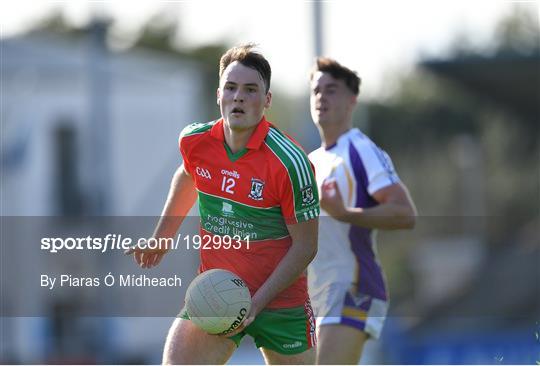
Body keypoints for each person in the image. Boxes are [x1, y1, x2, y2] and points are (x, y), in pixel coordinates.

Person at [126, 44, 319, 365]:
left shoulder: (290, 163)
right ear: (219, 95)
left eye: (250, 89)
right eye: (231, 87)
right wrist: (162, 236)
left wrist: (257, 303)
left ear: (267, 100)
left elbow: (306, 246)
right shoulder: (195, 141)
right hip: (217, 296)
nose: (238, 97)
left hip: (282, 304)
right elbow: (189, 175)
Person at [307, 57, 417, 364]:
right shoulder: (310, 162)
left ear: (352, 100)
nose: (321, 97)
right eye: (316, 91)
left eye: (331, 90)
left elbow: (404, 213)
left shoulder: (360, 149)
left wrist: (346, 214)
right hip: (314, 296)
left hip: (353, 288)